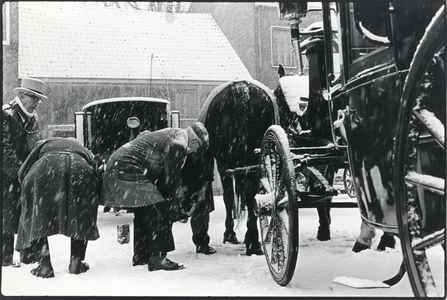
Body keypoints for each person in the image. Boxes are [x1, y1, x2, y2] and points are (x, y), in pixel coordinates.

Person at [100, 122, 209, 271]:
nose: (194, 152)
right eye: (197, 149)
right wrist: (178, 196)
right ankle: (158, 257)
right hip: (129, 168)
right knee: (158, 208)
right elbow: (170, 179)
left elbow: (165, 176)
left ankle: (141, 255)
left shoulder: (174, 135)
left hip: (119, 165)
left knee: (144, 210)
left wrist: (173, 191)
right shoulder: (180, 144)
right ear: (195, 141)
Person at [16, 137, 101, 278]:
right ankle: (76, 262)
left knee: (36, 216)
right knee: (79, 215)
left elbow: (23, 170)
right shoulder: (81, 147)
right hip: (79, 167)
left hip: (45, 167)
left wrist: (27, 188)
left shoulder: (43, 143)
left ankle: (44, 266)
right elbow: (96, 169)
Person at [2, 77, 46, 266]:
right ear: (21, 95)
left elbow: (37, 147)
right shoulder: (6, 115)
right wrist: (21, 173)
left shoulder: (33, 119)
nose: (37, 103)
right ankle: (5, 258)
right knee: (7, 217)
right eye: (33, 98)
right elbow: (4, 151)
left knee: (27, 214)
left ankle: (27, 255)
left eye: (39, 100)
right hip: (6, 178)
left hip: (26, 176)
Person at [181, 151, 216, 255]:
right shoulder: (204, 152)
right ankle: (201, 242)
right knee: (201, 213)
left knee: (200, 213)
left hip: (192, 181)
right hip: (194, 180)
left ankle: (201, 242)